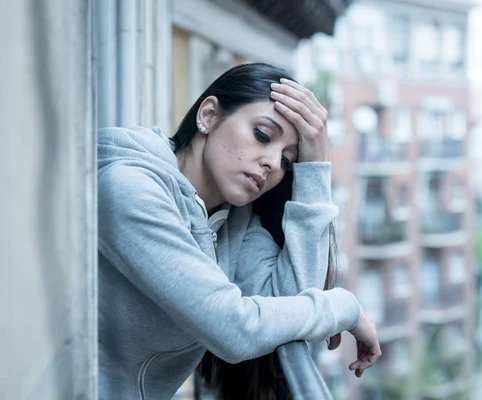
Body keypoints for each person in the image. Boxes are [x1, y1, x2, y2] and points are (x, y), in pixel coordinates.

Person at [97, 63, 381, 399]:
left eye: (288, 161)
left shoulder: (232, 221)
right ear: (209, 116)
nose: (274, 164)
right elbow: (235, 329)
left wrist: (314, 168)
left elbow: (293, 303)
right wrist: (344, 308)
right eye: (262, 135)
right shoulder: (129, 189)